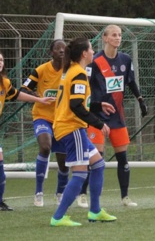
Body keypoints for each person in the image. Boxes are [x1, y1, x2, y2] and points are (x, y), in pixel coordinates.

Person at [78, 25, 148, 208]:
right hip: (96, 117)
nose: (118, 38)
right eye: (114, 35)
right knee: (96, 157)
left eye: (119, 35)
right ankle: (83, 194)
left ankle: (125, 197)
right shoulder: (95, 61)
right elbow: (84, 87)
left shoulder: (125, 59)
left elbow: (131, 81)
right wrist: (93, 107)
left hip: (117, 117)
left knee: (123, 158)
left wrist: (140, 99)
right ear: (105, 38)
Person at [50, 38, 117, 226]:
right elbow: (76, 106)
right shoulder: (78, 73)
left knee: (98, 165)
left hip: (69, 126)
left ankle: (95, 211)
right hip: (72, 128)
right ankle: (58, 217)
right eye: (91, 48)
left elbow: (76, 101)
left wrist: (96, 105)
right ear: (84, 54)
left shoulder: (71, 71)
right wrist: (98, 123)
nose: (93, 51)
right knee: (80, 174)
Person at [0, 51, 55, 211]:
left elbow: (17, 95)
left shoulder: (4, 83)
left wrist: (39, 99)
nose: (0, 62)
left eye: (2, 59)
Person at [20, 39, 70, 207]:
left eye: (64, 48)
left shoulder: (70, 71)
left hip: (62, 120)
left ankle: (60, 192)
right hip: (42, 116)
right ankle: (39, 192)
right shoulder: (41, 70)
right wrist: (38, 98)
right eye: (58, 48)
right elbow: (23, 89)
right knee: (45, 146)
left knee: (63, 160)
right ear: (51, 52)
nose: (62, 51)